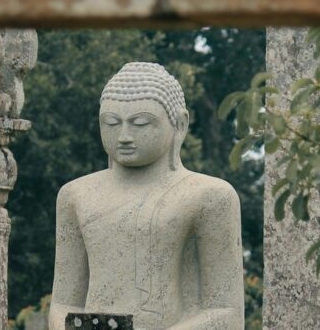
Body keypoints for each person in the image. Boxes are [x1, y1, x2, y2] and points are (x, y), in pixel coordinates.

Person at [49, 62, 244, 330]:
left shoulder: (210, 196)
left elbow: (226, 312)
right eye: (112, 123)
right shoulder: (76, 195)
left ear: (180, 124)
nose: (125, 136)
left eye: (140, 123)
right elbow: (63, 304)